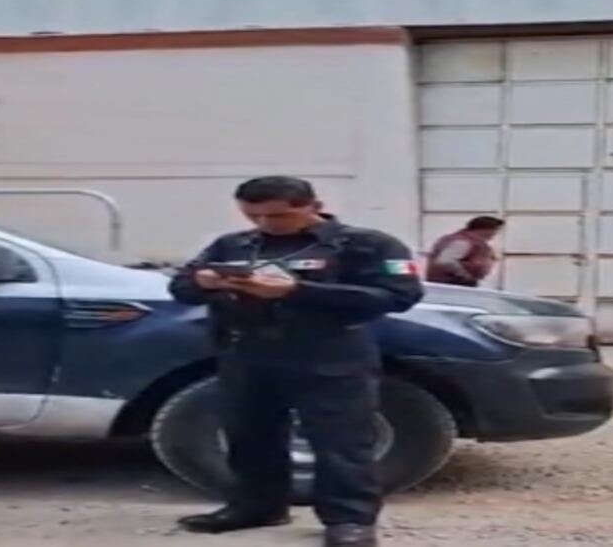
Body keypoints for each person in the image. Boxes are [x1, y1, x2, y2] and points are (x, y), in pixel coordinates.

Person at [168, 176, 423, 547]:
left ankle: (349, 520)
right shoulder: (233, 244)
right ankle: (257, 506)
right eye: (253, 215)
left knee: (340, 442)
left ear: (313, 206)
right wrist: (205, 283)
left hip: (328, 356)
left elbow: (398, 296)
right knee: (249, 436)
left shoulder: (366, 245)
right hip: (248, 354)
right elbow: (181, 288)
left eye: (277, 216)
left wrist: (297, 290)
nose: (265, 224)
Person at [425, 216, 505, 288]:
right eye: (495, 230)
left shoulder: (467, 240)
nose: (495, 233)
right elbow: (445, 261)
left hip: (453, 284)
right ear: (486, 229)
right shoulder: (463, 241)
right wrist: (465, 276)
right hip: (453, 285)